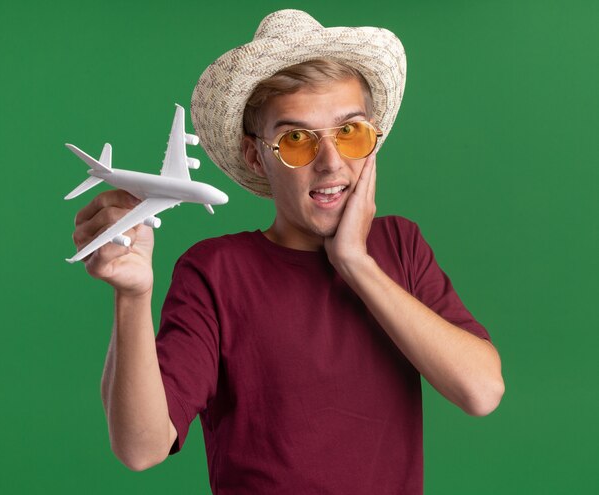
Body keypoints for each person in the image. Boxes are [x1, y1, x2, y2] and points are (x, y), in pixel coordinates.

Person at [71, 9, 504, 494]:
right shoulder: (216, 272)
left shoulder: (399, 246)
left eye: (350, 132)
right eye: (296, 139)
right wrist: (132, 298)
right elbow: (141, 447)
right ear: (257, 155)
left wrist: (356, 262)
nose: (331, 162)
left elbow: (482, 391)